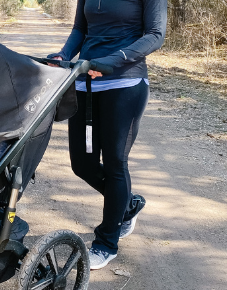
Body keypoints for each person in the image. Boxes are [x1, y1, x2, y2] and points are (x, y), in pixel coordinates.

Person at [48, 0, 167, 270]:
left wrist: (114, 60)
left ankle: (106, 243)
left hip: (125, 82)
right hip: (84, 81)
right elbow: (80, 28)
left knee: (115, 162)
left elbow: (155, 34)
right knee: (82, 164)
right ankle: (127, 204)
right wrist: (64, 55)